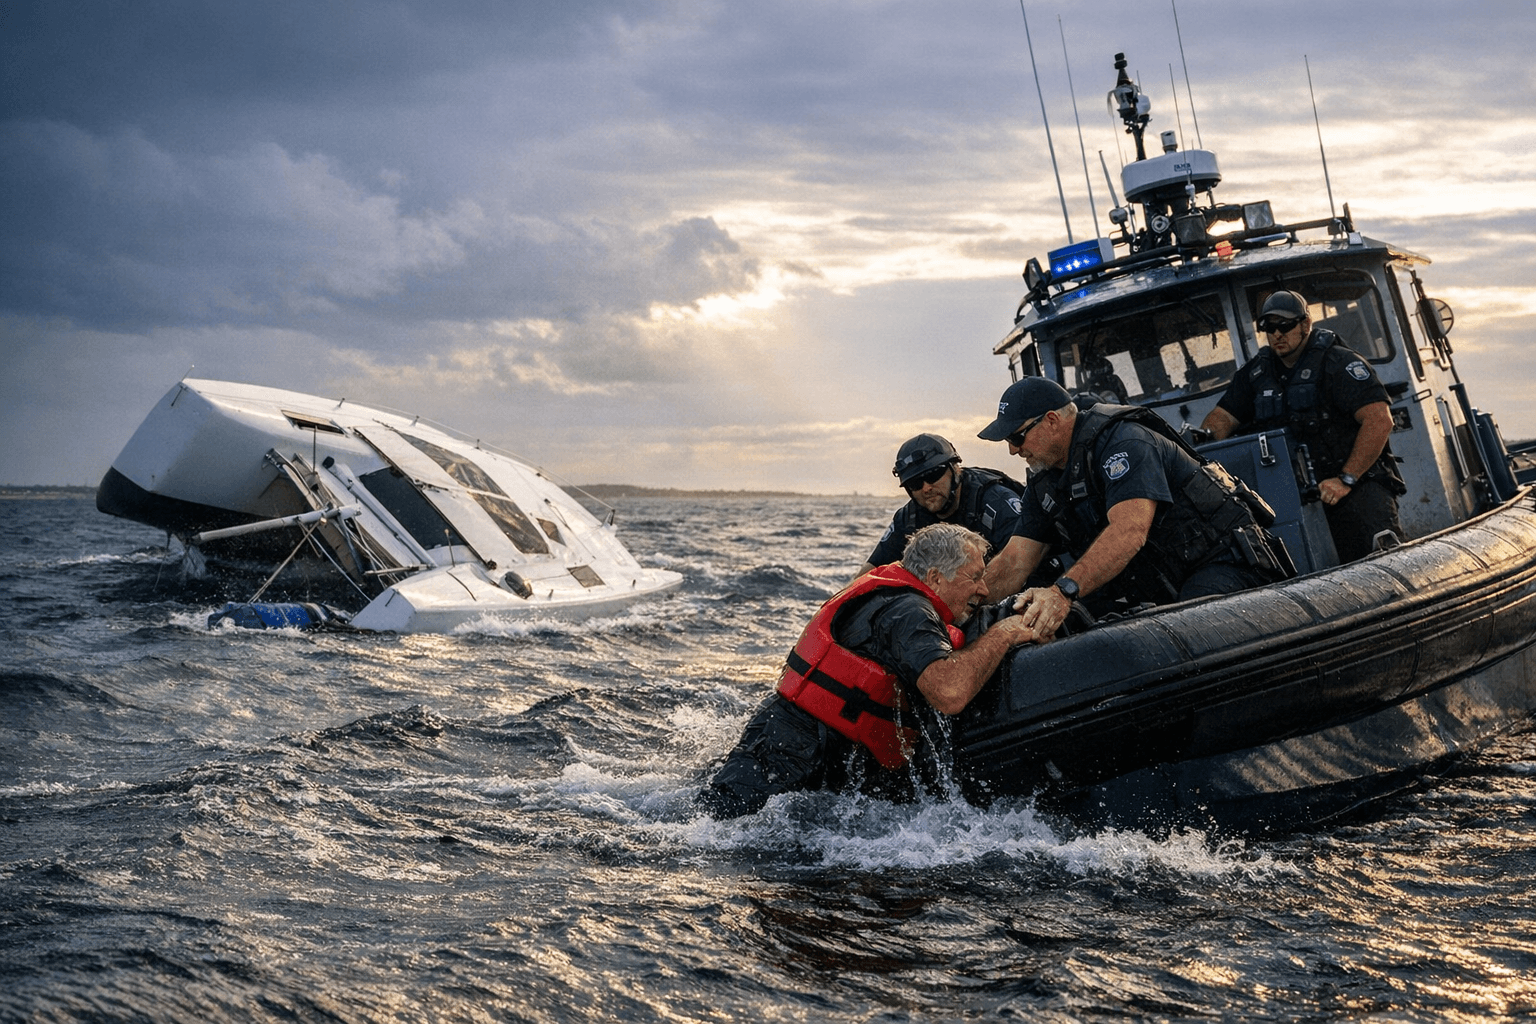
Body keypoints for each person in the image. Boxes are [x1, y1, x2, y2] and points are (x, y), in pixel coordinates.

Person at [697, 523, 1042, 819]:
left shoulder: (897, 599)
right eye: (975, 577)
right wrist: (1006, 633)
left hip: (791, 741)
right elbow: (950, 693)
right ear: (936, 578)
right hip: (794, 752)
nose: (984, 589)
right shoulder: (909, 611)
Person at [977, 377, 1290, 638]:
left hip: (1221, 564)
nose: (1013, 450)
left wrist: (1063, 593)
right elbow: (1014, 561)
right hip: (1163, 582)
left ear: (1052, 421)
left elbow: (1129, 531)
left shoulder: (1124, 442)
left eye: (1017, 436)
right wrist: (960, 608)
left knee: (1189, 634)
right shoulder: (1045, 482)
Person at [1200, 289, 1404, 563]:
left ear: (1306, 324)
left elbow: (1379, 420)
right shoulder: (1256, 374)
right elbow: (1221, 420)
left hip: (1356, 490)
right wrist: (1203, 439)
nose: (1277, 334)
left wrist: (1346, 479)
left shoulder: (1340, 363)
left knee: (1381, 565)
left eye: (1285, 325)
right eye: (1269, 327)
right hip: (1295, 500)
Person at [854, 433, 1026, 579]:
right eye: (915, 483)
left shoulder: (995, 501)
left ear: (956, 470)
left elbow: (1020, 562)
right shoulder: (908, 518)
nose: (926, 488)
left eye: (933, 475)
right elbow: (873, 569)